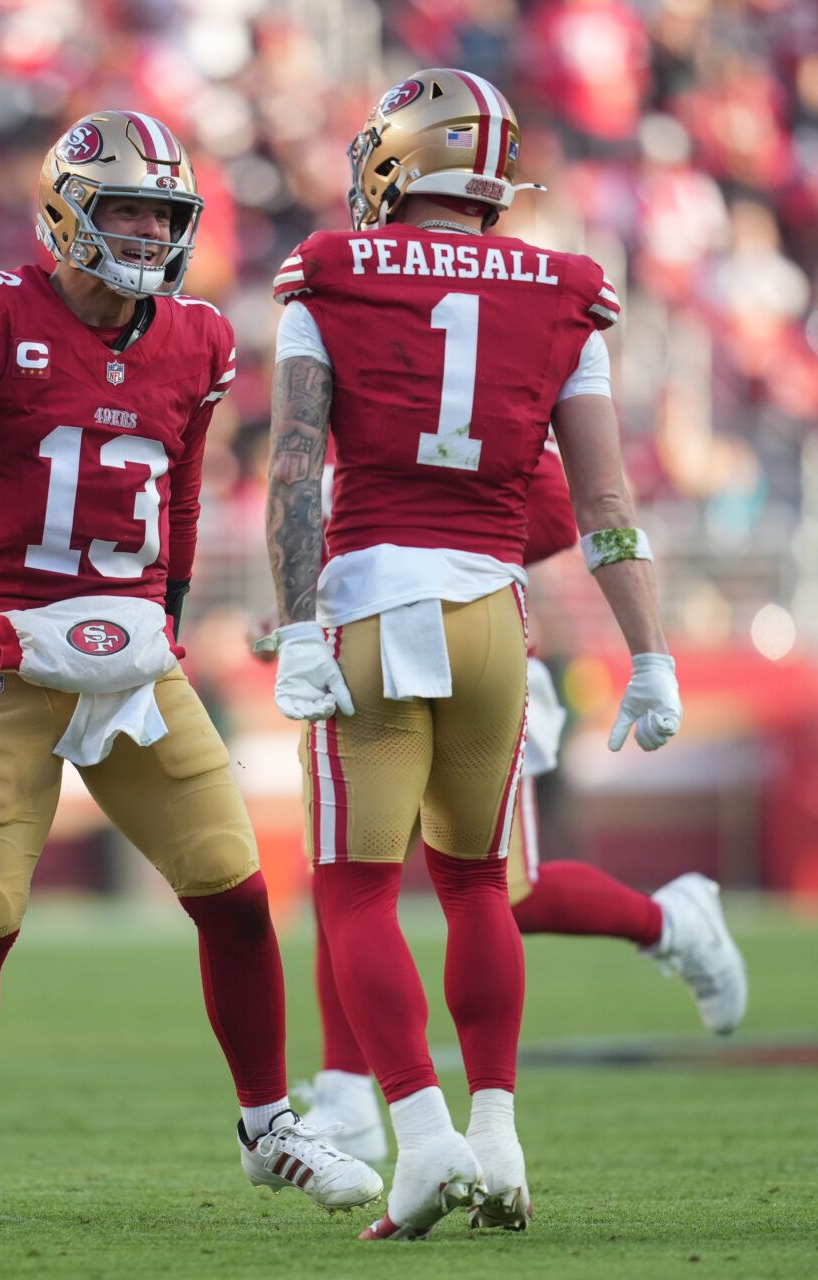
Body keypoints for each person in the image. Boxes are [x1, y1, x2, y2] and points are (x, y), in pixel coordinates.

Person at [0, 109, 380, 1228]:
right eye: (127, 208)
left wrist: (176, 612)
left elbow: (185, 495)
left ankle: (266, 1124)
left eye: (164, 211)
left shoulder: (196, 338)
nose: (149, 231)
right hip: (8, 648)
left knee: (236, 890)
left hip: (137, 651)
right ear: (66, 211)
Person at [259, 69, 684, 1240]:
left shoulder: (330, 270)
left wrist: (296, 624)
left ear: (400, 157)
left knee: (353, 892)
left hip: (370, 602)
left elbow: (296, 467)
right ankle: (499, 1137)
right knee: (477, 884)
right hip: (497, 613)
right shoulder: (564, 287)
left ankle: (427, 1139)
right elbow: (602, 499)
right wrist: (650, 652)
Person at [295, 443, 748, 1167]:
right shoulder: (362, 374)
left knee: (504, 893)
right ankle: (348, 1094)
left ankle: (672, 922)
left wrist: (442, 556)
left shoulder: (459, 382)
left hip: (471, 647)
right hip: (371, 640)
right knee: (346, 879)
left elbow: (554, 506)